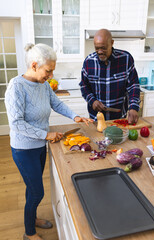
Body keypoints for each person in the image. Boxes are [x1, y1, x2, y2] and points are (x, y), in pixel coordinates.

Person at [5, 43, 93, 240]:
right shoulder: (16, 87)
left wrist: (75, 116)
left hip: (39, 147)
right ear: (34, 65)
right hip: (23, 149)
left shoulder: (44, 85)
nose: (51, 75)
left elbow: (56, 103)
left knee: (32, 187)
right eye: (48, 70)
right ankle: (29, 233)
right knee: (37, 192)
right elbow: (17, 124)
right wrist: (46, 135)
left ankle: (32, 217)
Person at [80, 29, 140, 124]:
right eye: (97, 48)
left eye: (103, 48)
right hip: (96, 120)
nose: (99, 51)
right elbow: (84, 86)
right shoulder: (88, 62)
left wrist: (133, 107)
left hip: (119, 118)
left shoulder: (126, 59)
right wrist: (92, 101)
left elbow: (133, 85)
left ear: (111, 43)